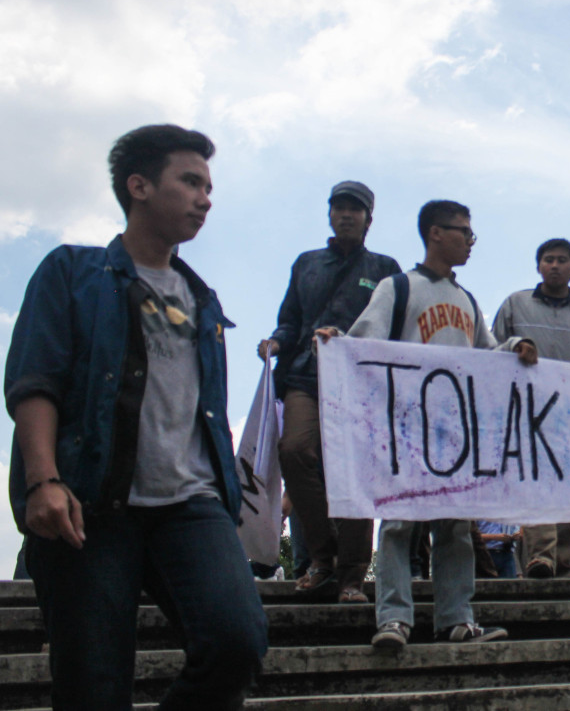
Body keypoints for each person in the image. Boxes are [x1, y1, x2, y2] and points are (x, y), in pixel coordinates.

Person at [6, 125, 268, 709]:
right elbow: (35, 381)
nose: (206, 198)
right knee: (92, 687)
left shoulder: (203, 301)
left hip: (192, 504)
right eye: (191, 181)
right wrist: (43, 480)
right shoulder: (74, 272)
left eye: (209, 186)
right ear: (140, 186)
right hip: (91, 504)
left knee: (237, 642)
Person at [318, 199, 536, 650]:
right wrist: (338, 344)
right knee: (398, 523)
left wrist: (515, 346)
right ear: (436, 233)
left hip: (454, 432)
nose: (471, 243)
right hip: (403, 426)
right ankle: (394, 618)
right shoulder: (397, 287)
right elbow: (366, 342)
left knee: (454, 527)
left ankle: (456, 617)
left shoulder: (466, 300)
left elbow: (486, 354)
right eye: (465, 233)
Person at [259, 180, 400, 604]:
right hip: (304, 374)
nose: (346, 215)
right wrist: (276, 342)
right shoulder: (306, 263)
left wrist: (348, 339)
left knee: (355, 473)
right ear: (329, 215)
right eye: (339, 208)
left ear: (368, 219)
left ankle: (352, 575)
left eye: (355, 210)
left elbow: (391, 329)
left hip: (360, 382)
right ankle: (323, 556)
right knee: (295, 451)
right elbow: (290, 318)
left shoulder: (384, 269)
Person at [492, 237, 570, 579]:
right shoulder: (515, 305)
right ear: (538, 266)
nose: (554, 265)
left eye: (562, 260)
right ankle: (541, 557)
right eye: (548, 259)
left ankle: (565, 562)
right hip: (526, 413)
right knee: (537, 483)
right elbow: (492, 349)